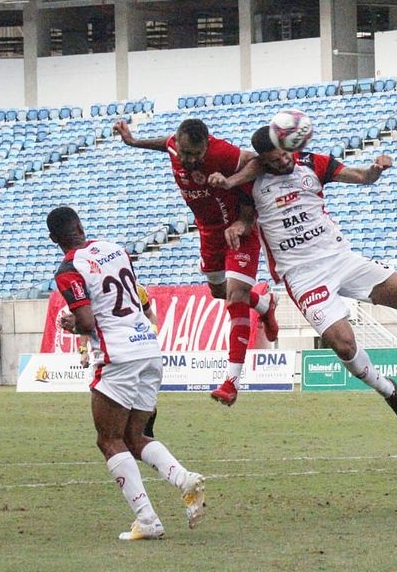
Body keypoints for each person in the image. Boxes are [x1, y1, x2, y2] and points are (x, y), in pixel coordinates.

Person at [226, 128, 397, 426]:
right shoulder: (251, 182)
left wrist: (375, 169)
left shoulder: (311, 163)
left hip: (340, 258)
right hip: (303, 275)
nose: (284, 161)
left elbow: (362, 177)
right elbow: (246, 220)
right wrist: (238, 228)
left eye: (285, 153)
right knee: (344, 344)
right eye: (275, 159)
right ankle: (388, 391)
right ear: (263, 159)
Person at [48, 206, 206, 540]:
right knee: (135, 437)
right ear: (80, 225)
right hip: (149, 348)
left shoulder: (67, 269)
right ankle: (184, 479)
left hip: (119, 356)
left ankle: (148, 521)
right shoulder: (115, 249)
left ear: (54, 239)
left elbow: (89, 322)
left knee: (108, 439)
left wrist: (71, 323)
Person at [114, 118, 278, 407]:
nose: (191, 160)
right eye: (186, 153)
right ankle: (264, 305)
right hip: (208, 232)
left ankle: (231, 382)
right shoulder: (174, 147)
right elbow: (164, 143)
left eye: (197, 154)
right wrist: (133, 141)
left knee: (236, 296)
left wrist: (231, 185)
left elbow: (257, 162)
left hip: (239, 228)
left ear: (206, 146)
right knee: (218, 292)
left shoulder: (221, 153)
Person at [66, 283, 162, 438]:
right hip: (109, 354)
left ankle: (142, 434)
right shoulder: (97, 287)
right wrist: (83, 350)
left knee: (143, 405)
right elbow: (86, 323)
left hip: (133, 352)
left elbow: (150, 315)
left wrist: (152, 333)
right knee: (110, 400)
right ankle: (128, 437)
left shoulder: (137, 289)